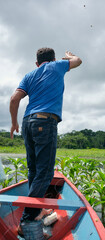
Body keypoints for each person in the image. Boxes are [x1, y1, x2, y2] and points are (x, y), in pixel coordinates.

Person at [9, 48, 82, 238]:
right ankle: (26, 220)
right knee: (46, 172)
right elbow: (78, 60)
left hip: (27, 123)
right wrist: (68, 56)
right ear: (53, 59)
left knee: (34, 171)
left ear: (36, 63)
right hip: (45, 122)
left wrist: (14, 122)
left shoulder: (29, 75)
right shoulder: (56, 66)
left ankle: (37, 211)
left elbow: (14, 98)